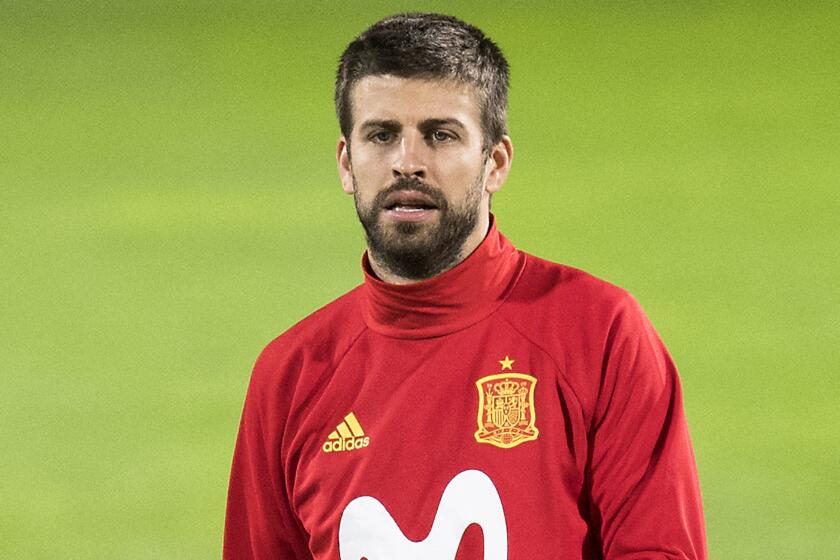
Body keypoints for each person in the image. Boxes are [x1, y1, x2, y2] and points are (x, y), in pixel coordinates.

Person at [224, 12, 707, 560]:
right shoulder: (290, 375)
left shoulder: (598, 333)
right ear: (346, 163)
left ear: (494, 162)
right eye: (381, 135)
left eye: (440, 135)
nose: (408, 163)